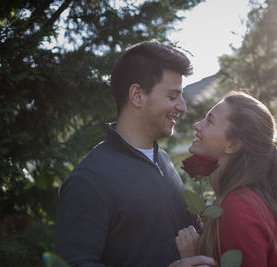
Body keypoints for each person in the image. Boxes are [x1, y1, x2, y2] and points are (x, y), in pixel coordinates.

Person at [55, 41, 201, 267]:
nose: (182, 107)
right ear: (137, 95)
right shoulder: (90, 180)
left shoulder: (163, 160)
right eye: (172, 97)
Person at [175, 91, 277, 267]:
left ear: (233, 144)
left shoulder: (239, 207)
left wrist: (193, 262)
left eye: (209, 121)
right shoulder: (238, 201)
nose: (197, 125)